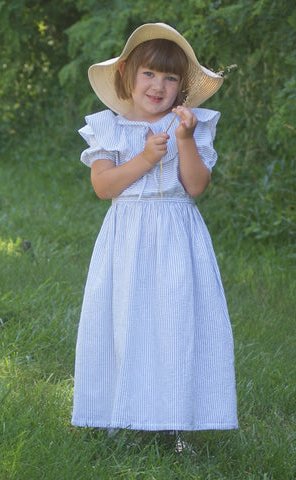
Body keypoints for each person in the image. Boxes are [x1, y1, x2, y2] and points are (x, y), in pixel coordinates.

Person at [71, 23, 238, 444]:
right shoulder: (108, 127)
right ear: (127, 72)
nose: (158, 85)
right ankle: (119, 417)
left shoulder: (192, 124)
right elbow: (103, 187)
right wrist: (145, 157)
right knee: (123, 318)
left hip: (178, 236)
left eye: (170, 77)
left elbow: (196, 185)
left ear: (182, 86)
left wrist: (183, 139)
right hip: (127, 236)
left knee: (175, 322)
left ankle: (175, 421)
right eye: (149, 73)